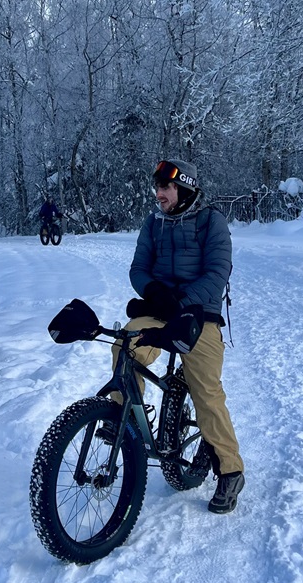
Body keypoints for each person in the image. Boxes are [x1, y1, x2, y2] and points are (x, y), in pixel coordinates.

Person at [110, 158, 245, 514]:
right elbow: (138, 268)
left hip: (200, 315)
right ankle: (124, 421)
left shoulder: (210, 221)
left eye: (165, 188)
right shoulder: (153, 224)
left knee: (207, 394)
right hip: (158, 309)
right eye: (157, 188)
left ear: (183, 187)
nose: (159, 195)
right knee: (127, 344)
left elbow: (218, 273)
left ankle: (230, 471)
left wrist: (182, 301)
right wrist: (154, 290)